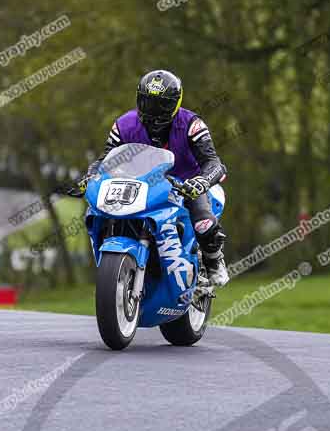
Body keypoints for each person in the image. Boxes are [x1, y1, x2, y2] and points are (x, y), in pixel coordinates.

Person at [78, 69, 230, 286]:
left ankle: (214, 260)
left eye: (162, 104)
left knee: (204, 222)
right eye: (147, 102)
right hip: (139, 183)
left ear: (176, 103)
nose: (154, 111)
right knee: (96, 211)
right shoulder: (123, 124)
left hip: (185, 184)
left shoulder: (192, 124)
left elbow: (213, 162)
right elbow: (105, 160)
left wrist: (202, 181)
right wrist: (91, 176)